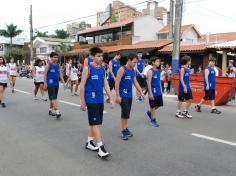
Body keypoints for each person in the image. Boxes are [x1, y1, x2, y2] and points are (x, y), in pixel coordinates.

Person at [80, 47, 114, 159]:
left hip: (100, 99)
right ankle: (101, 148)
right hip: (91, 99)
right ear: (92, 57)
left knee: (97, 123)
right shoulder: (87, 69)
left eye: (101, 56)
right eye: (98, 56)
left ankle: (89, 142)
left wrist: (111, 97)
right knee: (95, 124)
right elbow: (82, 86)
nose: (101, 58)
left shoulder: (102, 69)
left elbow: (105, 84)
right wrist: (82, 101)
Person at [115, 54, 145, 140]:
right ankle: (123, 130)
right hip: (122, 94)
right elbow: (117, 82)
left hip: (129, 95)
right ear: (129, 60)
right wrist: (117, 96)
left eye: (136, 62)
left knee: (127, 113)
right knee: (125, 111)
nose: (135, 64)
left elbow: (135, 82)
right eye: (134, 62)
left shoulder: (133, 70)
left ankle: (125, 128)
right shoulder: (122, 69)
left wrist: (141, 92)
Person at [44, 52, 66, 119]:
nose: (56, 58)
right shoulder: (48, 65)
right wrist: (45, 83)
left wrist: (63, 82)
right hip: (50, 83)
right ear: (51, 58)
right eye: (54, 57)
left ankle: (50, 110)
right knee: (54, 98)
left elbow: (60, 74)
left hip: (56, 83)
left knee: (53, 97)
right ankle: (57, 111)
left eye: (56, 57)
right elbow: (44, 75)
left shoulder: (58, 65)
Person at [146, 56, 163, 127]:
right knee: (152, 106)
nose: (159, 63)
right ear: (153, 62)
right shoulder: (150, 71)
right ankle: (153, 120)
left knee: (159, 105)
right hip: (153, 92)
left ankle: (149, 112)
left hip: (158, 91)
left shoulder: (158, 71)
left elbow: (159, 81)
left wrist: (161, 90)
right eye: (157, 61)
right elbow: (148, 83)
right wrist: (150, 93)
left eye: (159, 61)